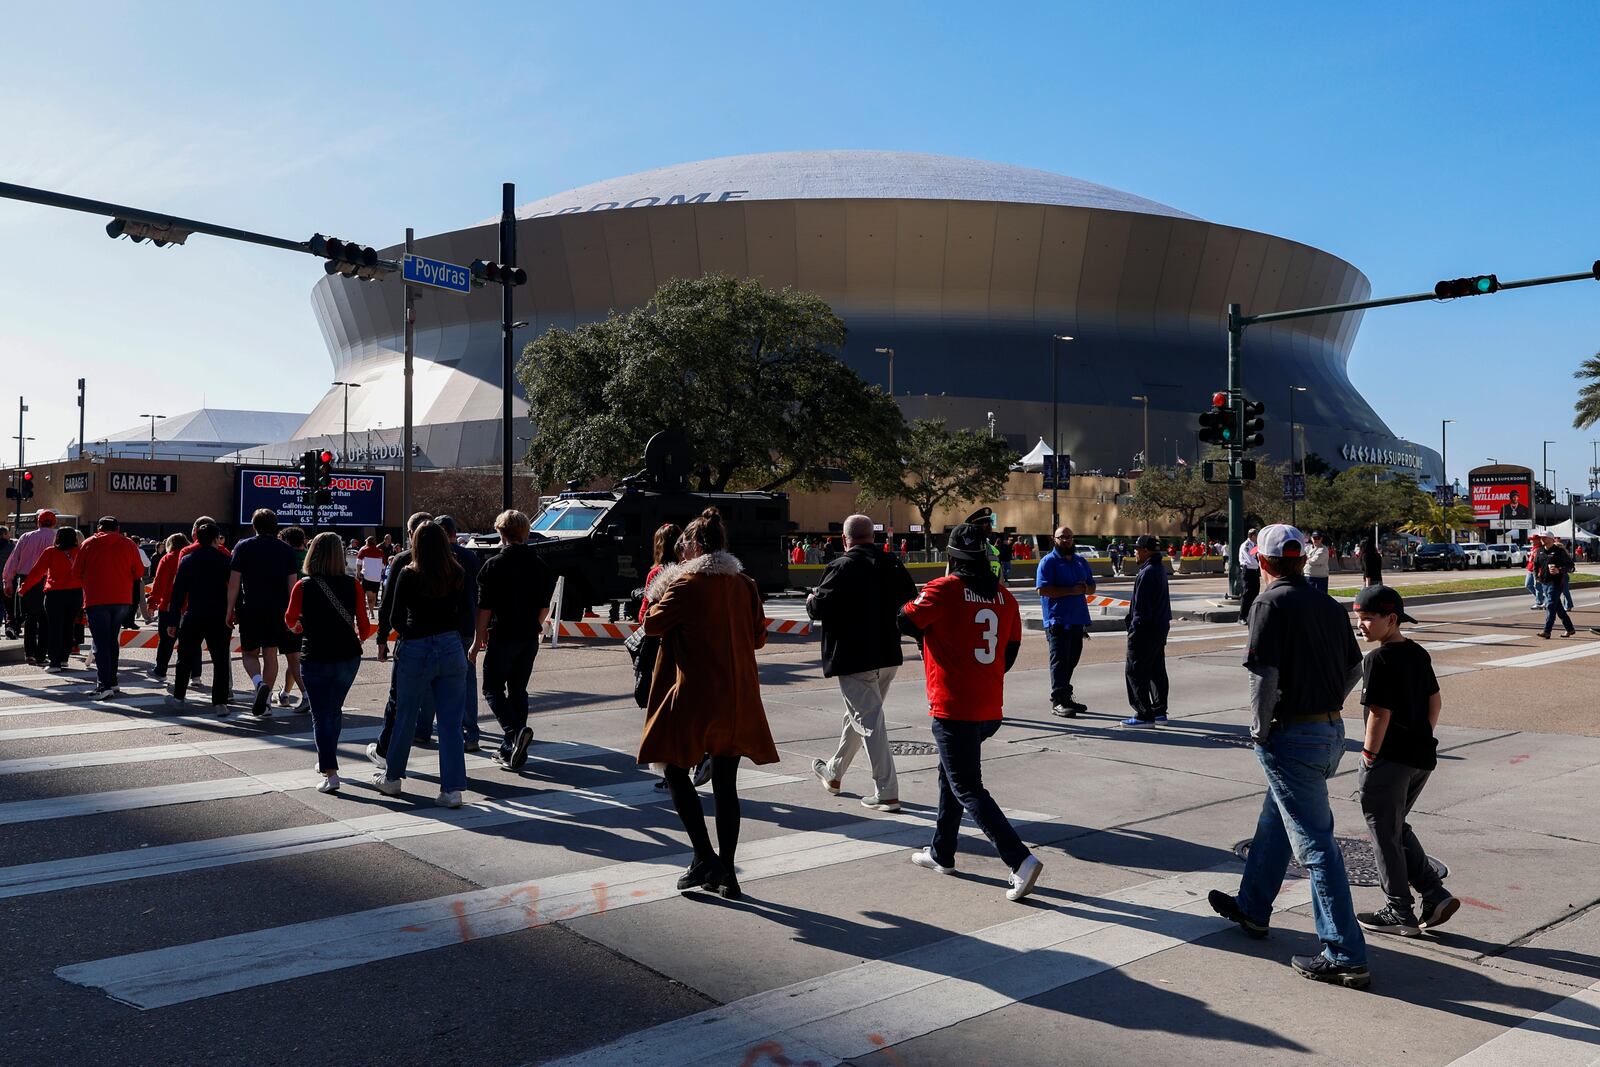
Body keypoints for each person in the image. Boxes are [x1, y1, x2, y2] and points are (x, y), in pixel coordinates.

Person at [1210, 523, 1369, 989]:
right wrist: (1326, 704)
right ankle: (1254, 908)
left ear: (1261, 561)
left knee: (1316, 846)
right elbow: (1354, 667)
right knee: (1275, 820)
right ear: (1302, 559)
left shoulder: (1268, 602)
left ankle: (1344, 952)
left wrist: (1259, 729)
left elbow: (1263, 673)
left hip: (1291, 735)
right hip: (1329, 730)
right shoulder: (1327, 604)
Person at [640, 507, 778, 901]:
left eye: (684, 544)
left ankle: (704, 857)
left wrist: (662, 583)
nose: (680, 550)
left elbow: (651, 624)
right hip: (737, 696)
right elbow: (758, 639)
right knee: (726, 784)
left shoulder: (685, 585)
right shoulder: (745, 584)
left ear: (697, 546)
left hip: (695, 693)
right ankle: (726, 873)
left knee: (672, 767)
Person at [900, 522, 1042, 902]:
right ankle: (942, 852)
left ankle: (1020, 860)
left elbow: (904, 619)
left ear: (952, 558)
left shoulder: (944, 590)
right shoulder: (1005, 597)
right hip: (988, 706)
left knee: (966, 786)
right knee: (951, 775)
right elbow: (1008, 655)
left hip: (953, 704)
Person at [1351, 585, 1461, 937]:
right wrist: (1421, 738)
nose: (1361, 625)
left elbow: (1379, 714)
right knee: (1396, 825)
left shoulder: (1378, 660)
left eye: (1368, 619)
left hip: (1389, 759)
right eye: (1358, 618)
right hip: (1420, 757)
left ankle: (1399, 910)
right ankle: (1433, 892)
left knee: (1383, 832)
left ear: (1391, 619)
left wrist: (1369, 755)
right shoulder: (1417, 653)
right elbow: (1436, 704)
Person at [806, 513, 918, 811]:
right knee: (858, 716)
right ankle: (834, 772)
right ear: (873, 536)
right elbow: (912, 603)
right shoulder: (892, 563)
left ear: (845, 539)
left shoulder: (841, 566)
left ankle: (887, 791)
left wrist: (810, 600)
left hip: (854, 657)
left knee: (869, 721)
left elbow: (819, 608)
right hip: (888, 655)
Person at [377, 520, 470, 807]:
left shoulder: (408, 573)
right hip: (450, 645)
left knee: (406, 714)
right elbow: (464, 613)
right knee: (451, 723)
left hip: (416, 644)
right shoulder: (456, 572)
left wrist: (406, 633)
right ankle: (451, 789)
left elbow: (395, 617)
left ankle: (393, 778)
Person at [473, 508, 558, 772]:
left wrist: (478, 640)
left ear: (501, 533)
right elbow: (545, 606)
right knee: (518, 690)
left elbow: (484, 608)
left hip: (504, 633)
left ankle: (513, 733)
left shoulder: (493, 565)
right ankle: (513, 750)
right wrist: (535, 624)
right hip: (528, 635)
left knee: (492, 688)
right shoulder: (541, 565)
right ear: (525, 532)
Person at [285, 532, 365, 794]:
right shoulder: (353, 585)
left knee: (320, 716)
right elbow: (364, 627)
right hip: (347, 656)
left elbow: (289, 619)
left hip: (316, 655)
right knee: (334, 709)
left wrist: (299, 628)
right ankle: (328, 758)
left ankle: (330, 771)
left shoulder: (304, 586)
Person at [371, 511, 435, 765]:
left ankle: (386, 752)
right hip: (446, 639)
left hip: (412, 636)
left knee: (397, 700)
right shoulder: (450, 560)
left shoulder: (403, 562)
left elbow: (387, 606)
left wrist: (382, 638)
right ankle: (424, 731)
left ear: (411, 534)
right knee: (435, 696)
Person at [228, 509, 299, 717]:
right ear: (275, 526)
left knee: (249, 653)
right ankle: (266, 703)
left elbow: (234, 583)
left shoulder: (243, 547)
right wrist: (291, 613)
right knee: (270, 654)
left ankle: (259, 684)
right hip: (278, 609)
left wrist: (229, 610)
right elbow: (292, 584)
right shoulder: (286, 550)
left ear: (254, 525)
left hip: (250, 607)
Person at [73, 516, 147, 698]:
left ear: (99, 527)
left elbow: (76, 572)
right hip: (122, 599)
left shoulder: (89, 543)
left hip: (96, 598)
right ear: (118, 528)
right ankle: (112, 681)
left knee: (100, 642)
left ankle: (104, 684)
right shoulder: (129, 544)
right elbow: (139, 572)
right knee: (112, 640)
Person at [167, 521, 234, 711]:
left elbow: (178, 593)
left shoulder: (188, 560)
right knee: (220, 659)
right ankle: (220, 702)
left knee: (185, 657)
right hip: (219, 615)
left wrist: (173, 620)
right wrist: (233, 612)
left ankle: (179, 696)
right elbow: (235, 588)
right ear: (216, 539)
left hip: (194, 613)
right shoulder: (225, 560)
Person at [434, 515, 483, 751]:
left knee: (435, 681)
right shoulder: (471, 558)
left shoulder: (435, 559)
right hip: (466, 627)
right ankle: (471, 731)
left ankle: (435, 728)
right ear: (455, 533)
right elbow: (479, 595)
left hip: (441, 628)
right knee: (467, 680)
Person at [1037, 525, 1095, 718]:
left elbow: (1092, 587)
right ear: (1054, 539)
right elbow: (1043, 590)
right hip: (1057, 621)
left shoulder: (1080, 561)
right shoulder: (1048, 562)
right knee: (1060, 662)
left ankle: (1066, 696)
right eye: (1062, 537)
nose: (1066, 540)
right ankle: (1058, 701)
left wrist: (1086, 588)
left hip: (1078, 620)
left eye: (1069, 537)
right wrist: (1071, 590)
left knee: (1071, 661)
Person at [1122, 534, 1171, 727]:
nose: (1134, 552)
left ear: (1146, 551)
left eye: (1136, 549)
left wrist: (1134, 630)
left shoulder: (1147, 572)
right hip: (1159, 626)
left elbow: (1141, 608)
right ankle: (1159, 711)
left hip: (1145, 629)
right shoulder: (1158, 569)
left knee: (1135, 670)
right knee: (1156, 669)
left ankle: (1143, 714)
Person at [20, 525, 83, 673]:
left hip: (55, 594)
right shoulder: (80, 552)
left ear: (57, 538)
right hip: (75, 593)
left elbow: (36, 572)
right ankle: (64, 658)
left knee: (54, 627)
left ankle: (54, 662)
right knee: (69, 626)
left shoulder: (51, 552)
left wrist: (24, 588)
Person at [3, 509, 58, 664]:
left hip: (27, 580)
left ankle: (29, 653)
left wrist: (8, 581)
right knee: (46, 619)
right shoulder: (57, 537)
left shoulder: (26, 537)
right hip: (50, 580)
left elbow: (14, 559)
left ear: (38, 522)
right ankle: (42, 654)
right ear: (54, 522)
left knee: (30, 618)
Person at [275, 526, 309, 709]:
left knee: (293, 657)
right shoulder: (310, 556)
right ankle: (285, 694)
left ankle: (306, 696)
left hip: (293, 611)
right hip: (311, 612)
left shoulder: (286, 558)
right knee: (294, 656)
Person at [147, 533, 189, 680]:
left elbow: (159, 583)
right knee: (189, 643)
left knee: (166, 641)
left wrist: (152, 603)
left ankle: (161, 670)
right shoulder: (191, 556)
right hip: (189, 606)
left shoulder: (168, 558)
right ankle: (193, 675)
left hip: (169, 605)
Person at [1533, 533, 1576, 639]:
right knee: (1559, 609)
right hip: (1545, 583)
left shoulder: (1559, 552)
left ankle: (1547, 631)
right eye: (1541, 538)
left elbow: (1571, 566)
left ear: (1552, 539)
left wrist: (1559, 570)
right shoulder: (1539, 551)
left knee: (1550, 606)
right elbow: (1535, 565)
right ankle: (1570, 629)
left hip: (1556, 583)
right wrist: (1536, 577)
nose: (1542, 539)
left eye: (1545, 537)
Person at [356, 535, 385, 619]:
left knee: (366, 596)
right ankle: (371, 612)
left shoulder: (363, 550)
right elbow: (383, 567)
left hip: (367, 577)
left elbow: (358, 563)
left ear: (367, 542)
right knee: (373, 596)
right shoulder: (381, 552)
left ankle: (370, 613)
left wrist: (358, 573)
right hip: (376, 579)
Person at [1237, 527, 1261, 624]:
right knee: (1247, 595)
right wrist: (1261, 563)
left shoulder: (1255, 545)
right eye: (1256, 535)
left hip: (1254, 571)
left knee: (1255, 593)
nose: (1257, 537)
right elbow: (1250, 560)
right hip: (1248, 572)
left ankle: (1251, 615)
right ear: (1252, 536)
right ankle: (1242, 617)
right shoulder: (1246, 545)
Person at [1305, 531, 1331, 595]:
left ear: (1321, 539)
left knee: (1321, 599)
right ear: (1311, 538)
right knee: (1308, 598)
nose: (1316, 540)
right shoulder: (1307, 548)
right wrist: (1308, 559)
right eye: (1314, 538)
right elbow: (1302, 557)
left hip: (1320, 578)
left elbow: (1315, 561)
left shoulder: (1323, 549)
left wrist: (1306, 558)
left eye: (1318, 538)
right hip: (1308, 576)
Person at [0, 524, 12, 638]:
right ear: (4, 534)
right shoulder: (10, 548)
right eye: (8, 533)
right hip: (6, 581)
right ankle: (9, 626)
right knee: (8, 606)